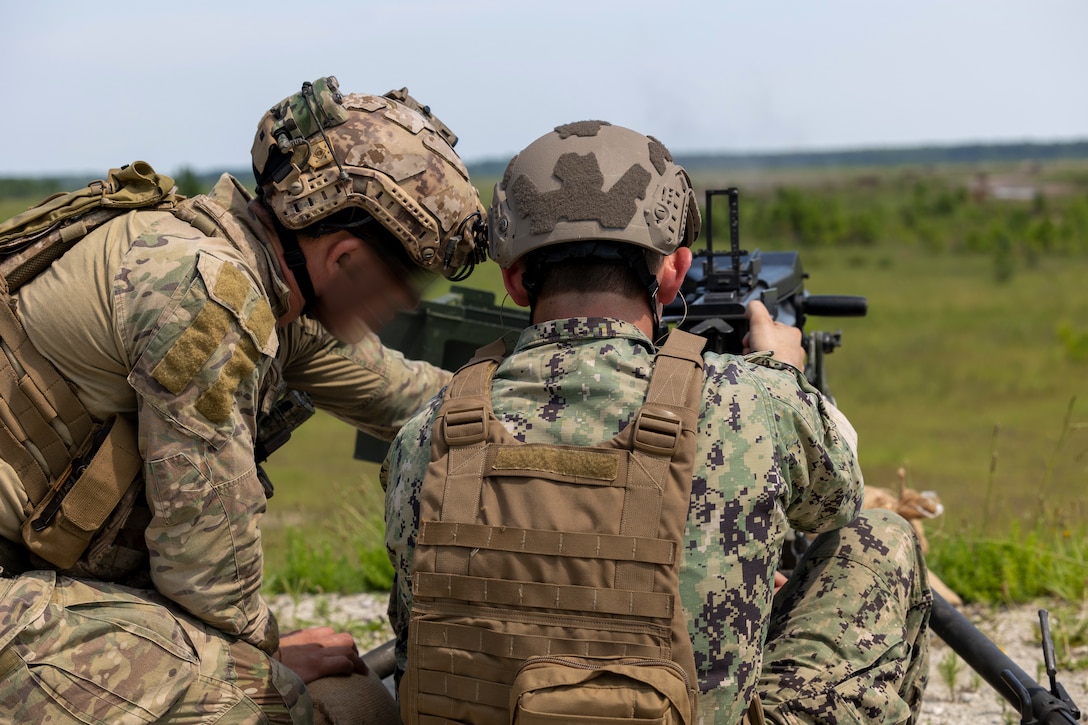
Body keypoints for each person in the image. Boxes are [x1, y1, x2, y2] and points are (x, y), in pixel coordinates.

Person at [383, 121, 932, 724]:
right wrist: (782, 375)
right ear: (672, 273)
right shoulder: (750, 403)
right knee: (881, 536)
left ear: (515, 280)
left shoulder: (428, 430)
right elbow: (836, 502)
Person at [0, 76, 485, 723]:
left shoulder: (248, 275)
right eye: (399, 284)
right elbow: (206, 576)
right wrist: (271, 651)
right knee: (271, 702)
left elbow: (415, 395)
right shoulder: (206, 296)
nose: (397, 306)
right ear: (344, 259)